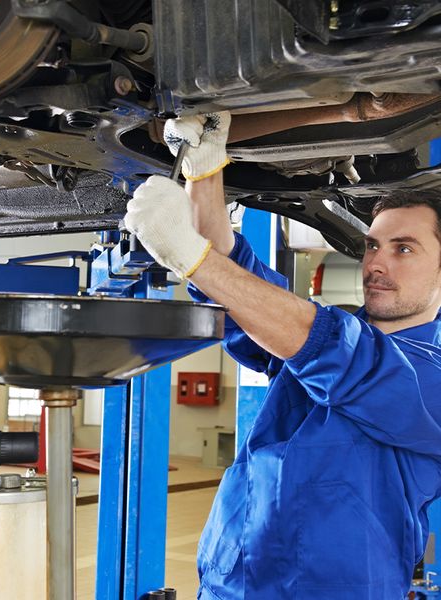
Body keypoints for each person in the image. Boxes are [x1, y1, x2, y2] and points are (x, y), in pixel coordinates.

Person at [124, 111, 441, 599]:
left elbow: (336, 352)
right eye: (373, 245)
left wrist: (193, 258)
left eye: (403, 249)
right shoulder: (326, 333)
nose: (375, 262)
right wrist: (205, 173)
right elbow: (245, 296)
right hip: (235, 582)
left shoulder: (428, 370)